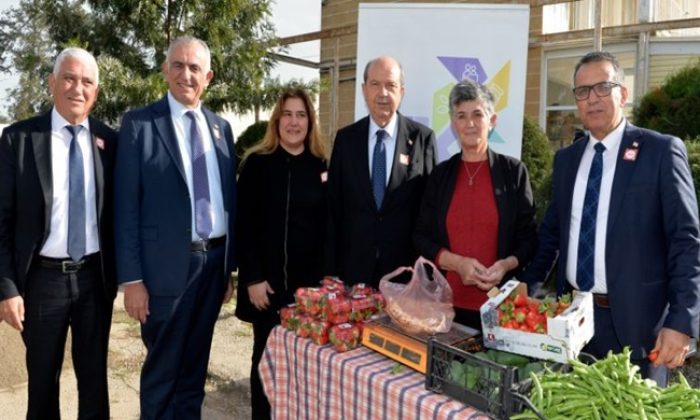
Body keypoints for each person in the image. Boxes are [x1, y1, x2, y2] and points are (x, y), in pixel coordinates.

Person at [522, 51, 700, 386]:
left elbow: (685, 241)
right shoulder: (566, 160)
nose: (593, 99)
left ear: (623, 93)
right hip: (573, 321)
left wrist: (681, 321)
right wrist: (526, 287)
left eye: (603, 87)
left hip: (638, 325)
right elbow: (551, 235)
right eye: (582, 91)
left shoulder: (660, 152)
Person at [114, 36, 237, 418]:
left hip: (212, 266)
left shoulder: (221, 129)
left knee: (194, 373)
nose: (186, 74)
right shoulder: (140, 125)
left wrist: (228, 268)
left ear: (209, 77)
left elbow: (228, 200)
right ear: (165, 70)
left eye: (195, 68)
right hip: (164, 272)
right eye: (179, 65)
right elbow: (125, 208)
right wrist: (132, 279)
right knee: (162, 375)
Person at [0, 47, 117, 419]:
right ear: (52, 83)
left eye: (87, 82)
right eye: (68, 78)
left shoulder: (110, 143)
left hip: (94, 281)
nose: (77, 88)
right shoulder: (18, 140)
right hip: (41, 283)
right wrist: (7, 289)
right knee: (42, 385)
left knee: (95, 383)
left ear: (96, 92)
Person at [413, 79, 537, 330]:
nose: (469, 123)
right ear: (453, 123)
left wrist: (505, 265)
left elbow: (529, 239)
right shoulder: (440, 175)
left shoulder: (513, 172)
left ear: (492, 121)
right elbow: (421, 237)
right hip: (445, 311)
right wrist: (456, 263)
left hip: (501, 309)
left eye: (477, 114)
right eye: (461, 115)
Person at [235, 87, 328, 419]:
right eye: (287, 114)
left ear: (310, 121)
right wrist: (253, 277)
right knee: (266, 365)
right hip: (267, 290)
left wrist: (322, 288)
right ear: (277, 120)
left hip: (307, 295)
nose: (294, 122)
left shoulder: (321, 167)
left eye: (301, 115)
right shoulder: (256, 165)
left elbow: (326, 231)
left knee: (304, 370)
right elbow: (244, 227)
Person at [326, 56, 438, 288]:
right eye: (375, 84)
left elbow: (431, 211)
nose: (383, 93)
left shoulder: (422, 139)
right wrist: (330, 269)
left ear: (402, 92)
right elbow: (333, 207)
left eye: (391, 85)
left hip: (406, 274)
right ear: (364, 89)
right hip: (353, 270)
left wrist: (427, 273)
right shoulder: (346, 140)